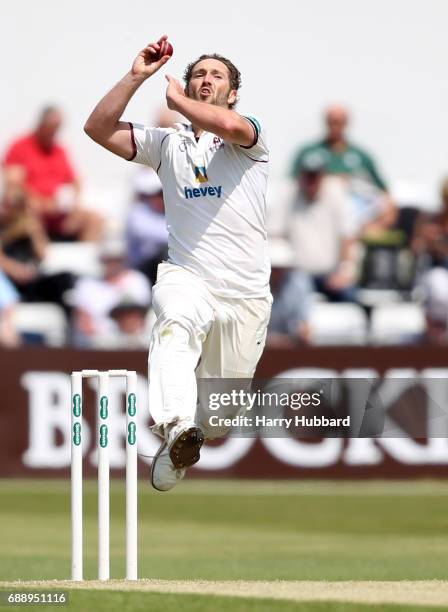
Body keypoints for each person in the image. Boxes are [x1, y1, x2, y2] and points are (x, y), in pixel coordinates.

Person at [84, 36, 272, 491]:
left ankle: (183, 446)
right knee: (174, 324)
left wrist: (179, 103)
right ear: (187, 84)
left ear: (232, 93)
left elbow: (227, 125)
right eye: (198, 74)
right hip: (187, 275)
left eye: (216, 76)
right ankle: (174, 425)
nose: (206, 80)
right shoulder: (167, 145)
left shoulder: (248, 136)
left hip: (245, 294)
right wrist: (136, 77)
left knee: (222, 418)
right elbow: (97, 129)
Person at [3, 106, 103, 242]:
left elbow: (75, 181)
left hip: (56, 209)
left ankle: (84, 260)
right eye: (52, 127)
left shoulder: (59, 150)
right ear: (41, 124)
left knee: (95, 219)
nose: (54, 132)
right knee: (29, 217)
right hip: (31, 207)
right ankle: (42, 258)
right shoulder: (20, 145)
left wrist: (76, 205)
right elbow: (13, 182)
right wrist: (36, 201)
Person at [286, 157, 358, 302]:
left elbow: (348, 236)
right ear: (301, 176)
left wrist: (345, 271)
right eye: (308, 175)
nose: (311, 181)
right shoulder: (289, 194)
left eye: (315, 176)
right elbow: (275, 235)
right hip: (296, 276)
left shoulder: (336, 192)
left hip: (330, 276)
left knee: (351, 295)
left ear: (323, 176)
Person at [290, 105, 388, 191]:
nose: (335, 126)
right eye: (332, 122)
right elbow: (291, 182)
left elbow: (381, 187)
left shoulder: (362, 155)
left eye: (339, 122)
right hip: (317, 205)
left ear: (346, 123)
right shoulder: (308, 152)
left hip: (354, 203)